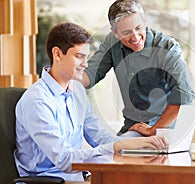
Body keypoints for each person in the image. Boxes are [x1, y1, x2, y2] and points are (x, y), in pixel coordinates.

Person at [14, 22, 167, 182]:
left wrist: (137, 140)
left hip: (78, 178)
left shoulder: (77, 91)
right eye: (79, 56)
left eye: (86, 57)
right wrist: (120, 146)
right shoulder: (37, 101)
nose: (85, 64)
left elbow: (99, 138)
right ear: (57, 54)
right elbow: (65, 160)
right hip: (50, 180)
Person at [80, 0, 195, 137]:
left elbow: (184, 93)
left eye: (139, 28)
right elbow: (89, 75)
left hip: (164, 129)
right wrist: (65, 74)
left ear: (144, 21)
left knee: (115, 149)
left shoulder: (167, 47)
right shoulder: (112, 42)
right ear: (115, 33)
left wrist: (153, 130)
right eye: (127, 32)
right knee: (109, 150)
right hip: (131, 128)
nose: (135, 37)